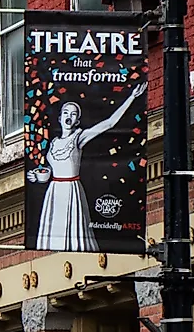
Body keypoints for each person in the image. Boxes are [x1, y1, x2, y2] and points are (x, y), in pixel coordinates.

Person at [33, 94, 137, 251]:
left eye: (73, 114)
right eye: (66, 113)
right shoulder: (53, 143)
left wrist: (131, 97)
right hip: (54, 192)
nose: (69, 116)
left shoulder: (78, 137)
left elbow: (109, 123)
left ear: (77, 121)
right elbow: (51, 168)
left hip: (70, 190)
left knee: (74, 233)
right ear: (60, 118)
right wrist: (40, 174)